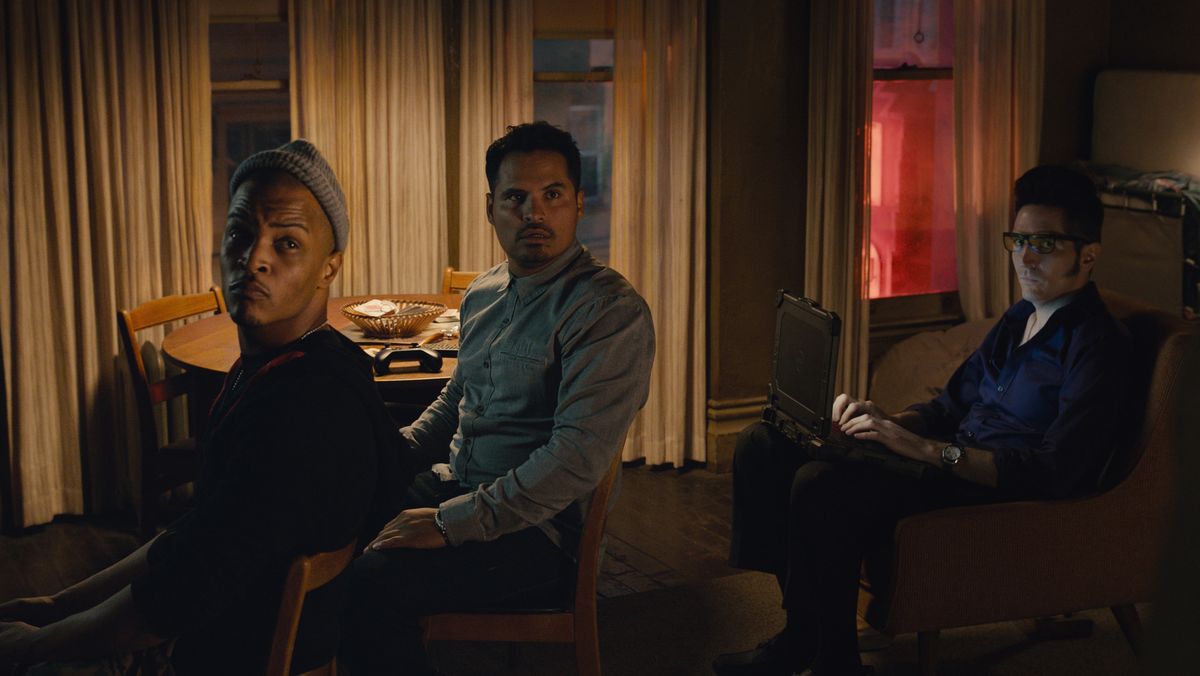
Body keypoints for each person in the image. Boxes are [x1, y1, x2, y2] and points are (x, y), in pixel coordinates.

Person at [0, 140, 404, 675]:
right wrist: (58, 605)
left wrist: (34, 646)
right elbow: (195, 533)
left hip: (225, 654)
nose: (254, 259)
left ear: (329, 267)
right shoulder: (296, 364)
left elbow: (175, 599)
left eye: (286, 243)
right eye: (239, 234)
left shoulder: (302, 409)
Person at [714, 165, 1132, 676]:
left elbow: (1054, 472)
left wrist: (929, 451)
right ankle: (804, 634)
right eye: (1019, 240)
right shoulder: (1020, 317)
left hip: (989, 486)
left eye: (1044, 244)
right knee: (764, 443)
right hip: (941, 460)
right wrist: (884, 420)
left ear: (1088, 254)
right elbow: (947, 407)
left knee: (821, 483)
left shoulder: (1097, 346)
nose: (1025, 257)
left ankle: (833, 659)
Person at [338, 121, 655, 675]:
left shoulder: (608, 311)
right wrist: (389, 457)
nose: (534, 213)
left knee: (371, 584)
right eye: (516, 197)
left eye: (552, 195)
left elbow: (573, 461)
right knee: (326, 513)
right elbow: (457, 399)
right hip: (457, 484)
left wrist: (447, 524)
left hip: (539, 534)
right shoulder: (483, 292)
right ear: (491, 208)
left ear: (579, 203)